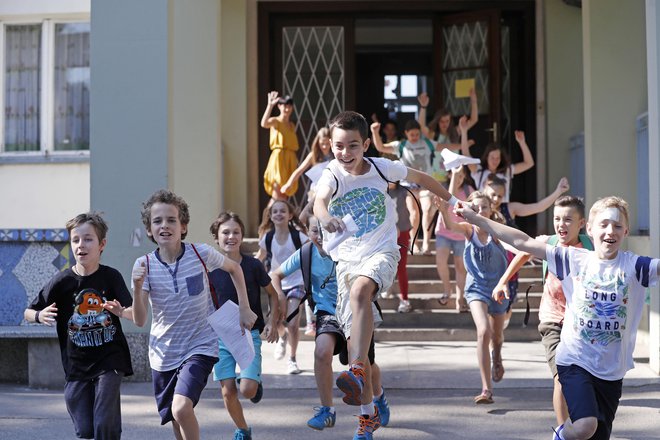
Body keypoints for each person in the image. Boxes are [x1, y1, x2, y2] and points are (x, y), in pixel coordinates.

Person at [454, 196, 659, 440]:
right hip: (575, 359)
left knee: (595, 435)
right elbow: (523, 241)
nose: (610, 231)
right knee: (585, 426)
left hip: (611, 371)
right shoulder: (573, 259)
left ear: (625, 231)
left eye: (616, 226)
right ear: (590, 229)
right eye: (603, 224)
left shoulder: (636, 267)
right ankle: (561, 434)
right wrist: (476, 218)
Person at [314, 110, 459, 440]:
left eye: (353, 146)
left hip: (382, 252)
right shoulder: (332, 173)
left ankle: (357, 373)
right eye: (339, 146)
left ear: (366, 144)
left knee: (362, 292)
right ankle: (367, 417)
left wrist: (451, 202)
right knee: (357, 350)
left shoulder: (382, 167)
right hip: (347, 262)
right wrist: (326, 219)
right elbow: (320, 202)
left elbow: (421, 178)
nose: (346, 154)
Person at [131, 189, 256, 440]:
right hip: (163, 353)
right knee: (177, 419)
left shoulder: (200, 253)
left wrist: (244, 306)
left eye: (171, 220)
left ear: (183, 226)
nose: (164, 225)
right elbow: (140, 320)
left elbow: (235, 269)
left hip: (200, 345)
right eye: (157, 221)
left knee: (181, 408)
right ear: (148, 230)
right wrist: (136, 288)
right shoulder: (143, 264)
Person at [24, 212, 133, 440]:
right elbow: (28, 311)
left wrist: (121, 311)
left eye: (88, 239)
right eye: (75, 240)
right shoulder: (62, 281)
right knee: (85, 430)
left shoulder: (111, 277)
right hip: (76, 365)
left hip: (110, 359)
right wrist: (39, 315)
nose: (81, 245)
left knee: (104, 423)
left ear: (102, 244)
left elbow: (134, 312)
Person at [491, 196, 592, 428]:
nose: (561, 224)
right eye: (557, 218)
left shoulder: (590, 247)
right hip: (552, 320)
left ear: (582, 223)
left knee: (582, 378)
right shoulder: (550, 242)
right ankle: (562, 431)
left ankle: (579, 423)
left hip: (581, 323)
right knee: (561, 377)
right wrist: (503, 281)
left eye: (568, 219)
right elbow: (524, 252)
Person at [270, 215, 347, 431]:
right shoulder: (306, 253)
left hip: (353, 311)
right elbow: (276, 274)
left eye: (326, 231)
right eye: (315, 231)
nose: (321, 237)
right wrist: (281, 297)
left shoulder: (349, 248)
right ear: (307, 231)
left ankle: (376, 399)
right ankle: (327, 410)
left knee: (365, 365)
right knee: (321, 353)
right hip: (326, 313)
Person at [208, 212, 280, 440]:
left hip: (250, 334)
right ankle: (243, 429)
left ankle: (254, 383)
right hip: (221, 339)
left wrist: (272, 322)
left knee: (246, 390)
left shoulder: (253, 265)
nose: (231, 236)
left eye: (236, 232)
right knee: (228, 391)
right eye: (225, 233)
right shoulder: (210, 269)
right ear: (217, 239)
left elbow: (273, 295)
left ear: (242, 235)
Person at [436, 192, 509, 404]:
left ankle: (497, 357)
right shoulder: (469, 230)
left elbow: (517, 244)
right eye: (475, 208)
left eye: (483, 208)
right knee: (484, 331)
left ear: (490, 210)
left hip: (497, 289)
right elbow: (451, 226)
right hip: (476, 288)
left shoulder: (496, 231)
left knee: (497, 337)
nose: (479, 211)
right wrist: (443, 211)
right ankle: (486, 389)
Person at [255, 199, 308, 374]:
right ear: (270, 216)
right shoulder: (267, 238)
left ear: (290, 215)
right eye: (275, 211)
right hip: (276, 284)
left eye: (282, 211)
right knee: (276, 320)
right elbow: (260, 257)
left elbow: (311, 252)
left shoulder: (298, 236)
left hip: (297, 282)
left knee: (293, 322)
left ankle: (292, 359)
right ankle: (282, 335)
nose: (279, 214)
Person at [370, 119, 438, 254]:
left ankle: (426, 243)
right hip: (408, 186)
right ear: (406, 133)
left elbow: (445, 146)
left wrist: (464, 141)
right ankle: (415, 243)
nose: (415, 137)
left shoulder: (427, 143)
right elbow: (380, 147)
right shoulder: (401, 145)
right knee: (413, 214)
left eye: (417, 134)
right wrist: (374, 131)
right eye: (412, 134)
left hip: (424, 185)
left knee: (427, 208)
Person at [435, 165, 475, 313]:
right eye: (456, 175)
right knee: (440, 261)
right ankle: (447, 290)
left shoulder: (468, 190)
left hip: (460, 233)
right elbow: (447, 202)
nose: (458, 179)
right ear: (449, 175)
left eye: (461, 176)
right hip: (443, 231)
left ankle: (460, 299)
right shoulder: (443, 188)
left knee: (460, 267)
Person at [461, 127, 535, 202]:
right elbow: (466, 156)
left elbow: (529, 163)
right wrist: (464, 131)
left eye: (498, 158)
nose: (495, 161)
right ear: (487, 157)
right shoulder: (479, 171)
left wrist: (522, 142)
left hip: (502, 211)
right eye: (492, 157)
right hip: (484, 211)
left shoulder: (507, 170)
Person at [260, 91, 300, 201]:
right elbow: (264, 123)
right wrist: (270, 105)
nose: (287, 109)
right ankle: (267, 217)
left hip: (289, 159)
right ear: (279, 106)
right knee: (277, 194)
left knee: (284, 195)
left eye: (289, 106)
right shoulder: (275, 121)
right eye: (284, 106)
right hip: (278, 159)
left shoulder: (291, 125)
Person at [280, 126, 333, 199]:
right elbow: (299, 170)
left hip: (331, 188)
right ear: (317, 142)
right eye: (322, 143)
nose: (324, 146)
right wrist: (288, 184)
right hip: (316, 188)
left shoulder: (334, 154)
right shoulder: (313, 155)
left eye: (327, 143)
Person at [388, 181, 413, 313]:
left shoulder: (404, 191)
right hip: (385, 233)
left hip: (403, 232)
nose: (389, 180)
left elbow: (412, 209)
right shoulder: (380, 190)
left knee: (401, 266)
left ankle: (405, 299)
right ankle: (386, 288)